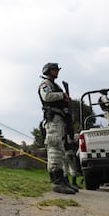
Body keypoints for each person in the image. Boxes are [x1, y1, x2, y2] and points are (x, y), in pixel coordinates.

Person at [38, 63, 77, 194]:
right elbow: (47, 97)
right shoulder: (45, 84)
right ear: (48, 71)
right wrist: (62, 95)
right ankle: (57, 181)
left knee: (60, 150)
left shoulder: (56, 85)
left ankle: (62, 179)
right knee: (54, 147)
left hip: (59, 120)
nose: (56, 72)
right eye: (54, 70)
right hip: (53, 119)